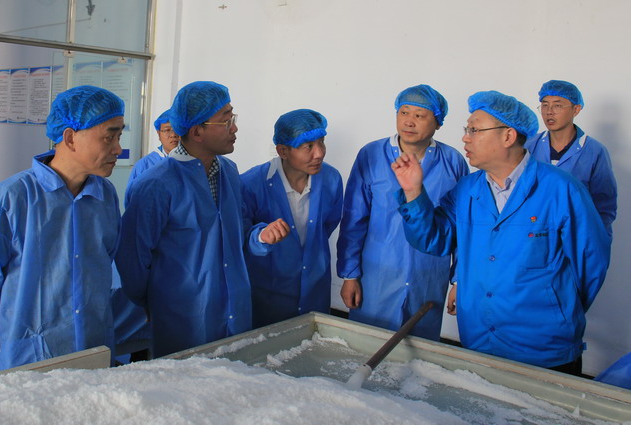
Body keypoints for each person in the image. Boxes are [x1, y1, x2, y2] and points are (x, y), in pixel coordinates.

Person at [391, 90, 611, 374]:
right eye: (466, 130)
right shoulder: (467, 190)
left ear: (508, 136)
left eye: (474, 130)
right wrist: (413, 192)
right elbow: (434, 239)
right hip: (479, 337)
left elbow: (590, 263)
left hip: (544, 346)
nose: (465, 138)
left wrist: (558, 309)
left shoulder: (561, 189)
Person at [116, 81, 289, 358]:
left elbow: (238, 233)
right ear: (197, 131)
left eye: (233, 118)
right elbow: (133, 257)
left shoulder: (229, 172)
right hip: (182, 314)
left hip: (234, 308)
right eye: (226, 120)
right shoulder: (157, 184)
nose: (235, 128)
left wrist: (260, 237)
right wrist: (147, 302)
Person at [0, 85, 125, 370]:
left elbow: (105, 259)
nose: (118, 149)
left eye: (119, 136)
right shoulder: (14, 196)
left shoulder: (105, 195)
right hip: (32, 354)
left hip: (95, 345)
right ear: (70, 137)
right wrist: (19, 329)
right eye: (109, 137)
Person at [337, 84, 468, 340]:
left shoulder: (453, 162)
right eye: (404, 112)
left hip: (428, 276)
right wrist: (350, 275)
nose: (409, 122)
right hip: (377, 274)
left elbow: (462, 229)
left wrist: (458, 280)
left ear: (438, 122)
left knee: (419, 350)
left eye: (419, 115)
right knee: (366, 343)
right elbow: (354, 219)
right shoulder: (371, 155)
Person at [240, 109, 343, 327]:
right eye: (308, 146)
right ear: (283, 151)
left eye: (322, 142)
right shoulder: (251, 184)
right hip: (268, 293)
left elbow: (328, 225)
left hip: (316, 289)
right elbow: (241, 238)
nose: (319, 153)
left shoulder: (331, 179)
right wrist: (262, 237)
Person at [525, 80, 617, 236]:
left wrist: (592, 239)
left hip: (577, 235)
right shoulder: (528, 147)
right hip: (535, 236)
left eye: (557, 105)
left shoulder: (594, 151)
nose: (549, 112)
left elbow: (604, 206)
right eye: (545, 105)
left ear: (576, 109)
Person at [124, 110, 180, 207]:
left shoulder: (194, 162)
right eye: (167, 130)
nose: (173, 135)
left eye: (177, 129)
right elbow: (131, 202)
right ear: (158, 134)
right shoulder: (144, 165)